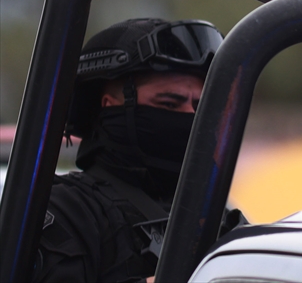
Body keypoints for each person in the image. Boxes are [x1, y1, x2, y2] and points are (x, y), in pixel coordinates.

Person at [33, 18, 242, 283]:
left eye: (199, 107)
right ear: (110, 106)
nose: (190, 118)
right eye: (169, 104)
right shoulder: (66, 210)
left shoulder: (215, 214)